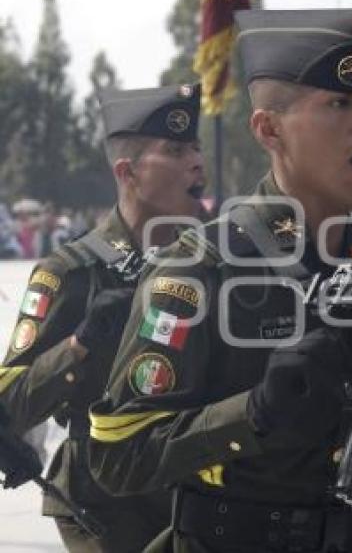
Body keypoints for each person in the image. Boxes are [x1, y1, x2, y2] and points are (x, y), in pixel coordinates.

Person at [88, 9, 352, 553]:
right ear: (268, 129)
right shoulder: (201, 267)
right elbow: (118, 453)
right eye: (340, 103)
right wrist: (253, 413)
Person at [0, 83, 206, 552]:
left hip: (194, 490)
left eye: (195, 147)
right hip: (103, 503)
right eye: (174, 150)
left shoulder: (209, 265)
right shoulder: (71, 271)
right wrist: (79, 345)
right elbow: (9, 404)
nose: (195, 160)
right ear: (127, 173)